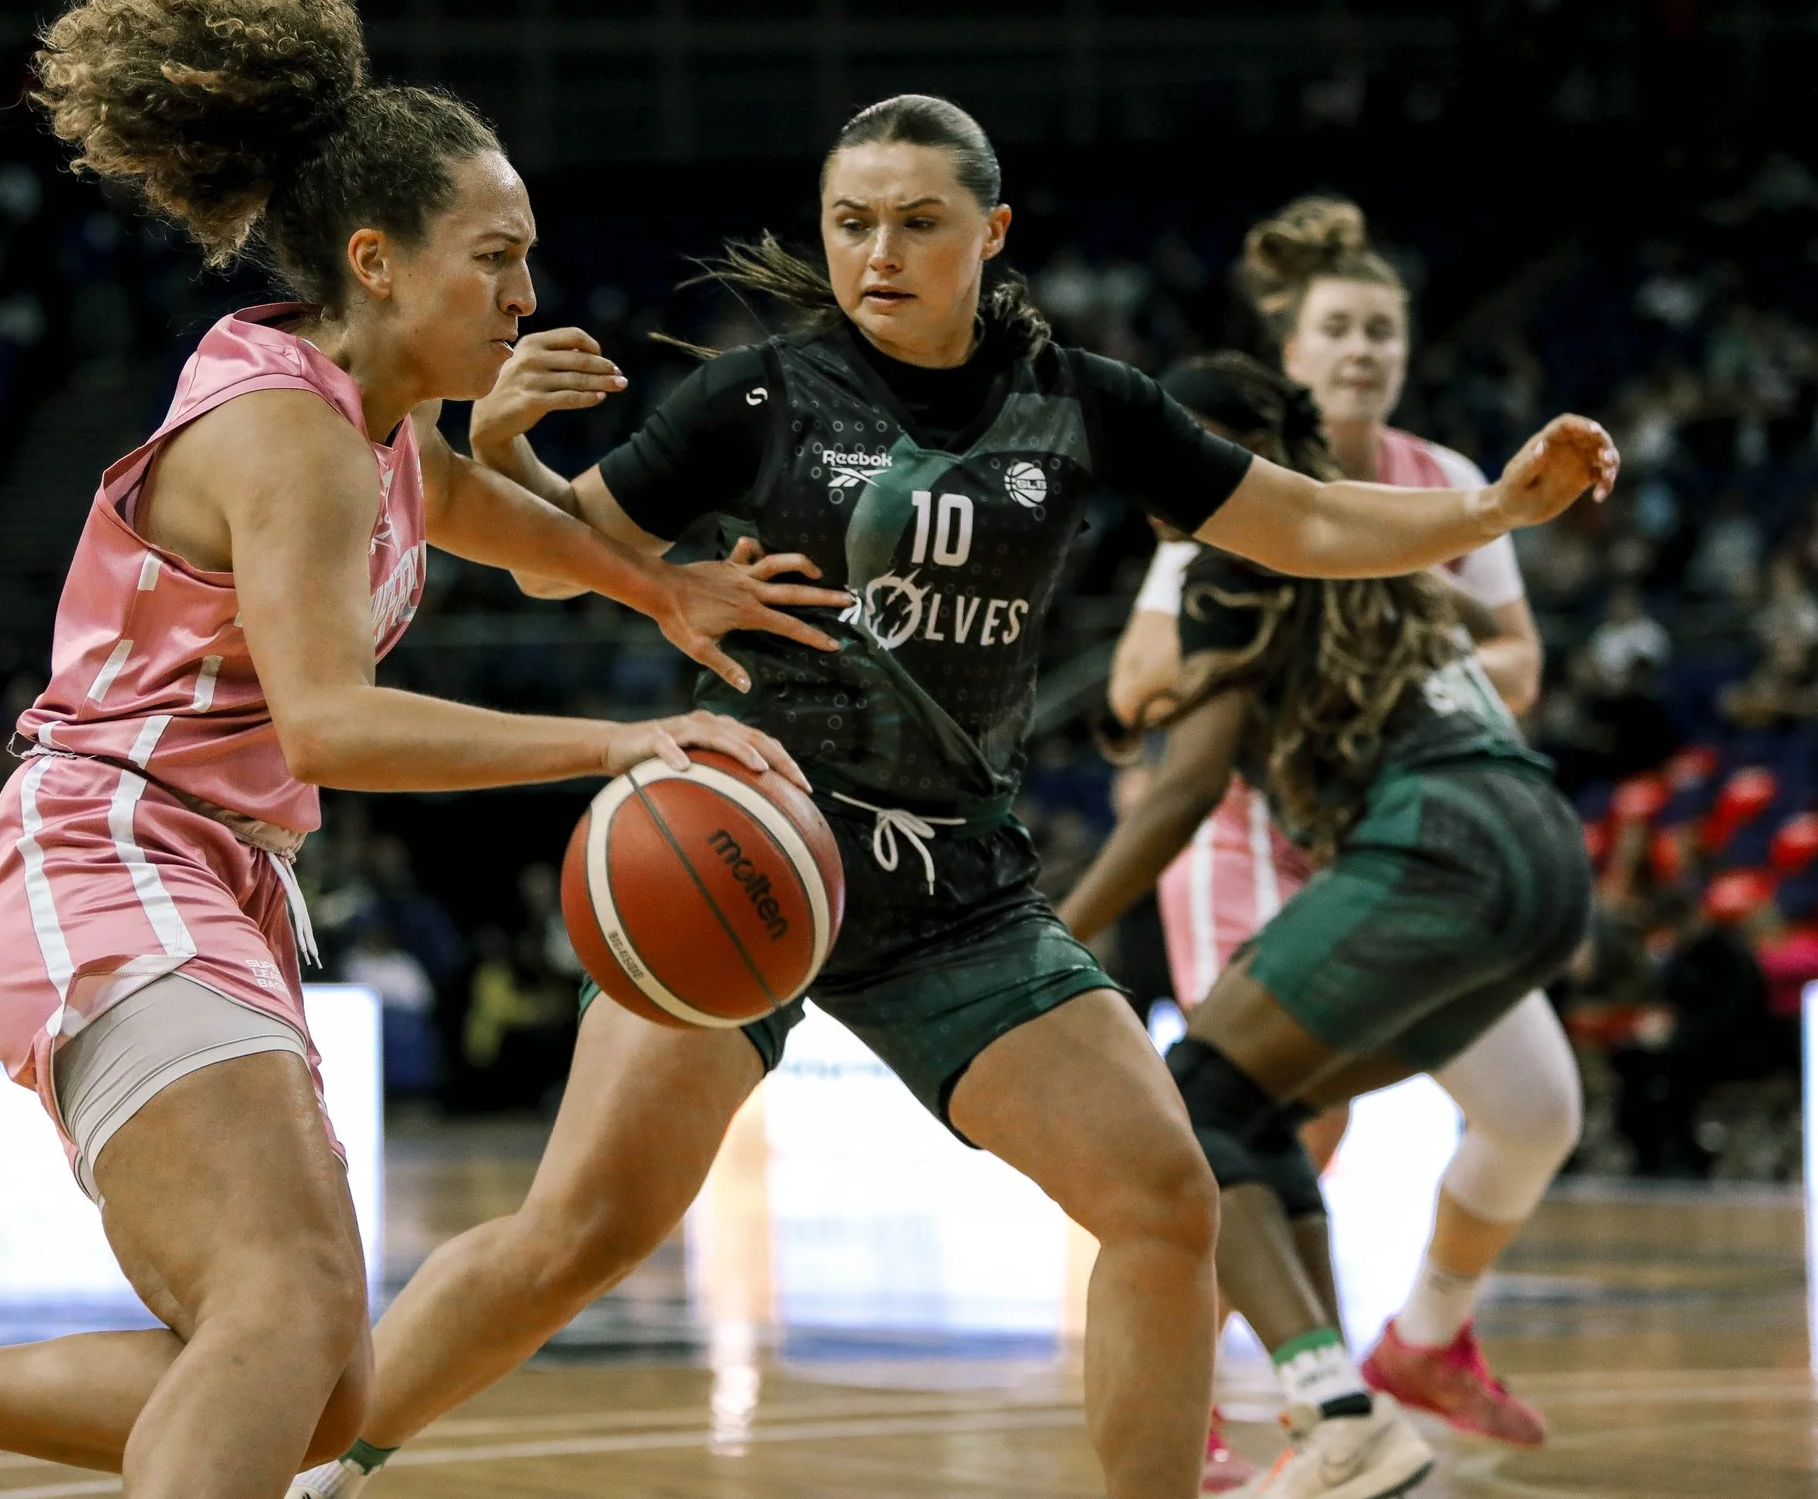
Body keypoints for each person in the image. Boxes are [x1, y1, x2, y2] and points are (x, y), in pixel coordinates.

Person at [294, 95, 1616, 1499]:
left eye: (919, 221)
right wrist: (502, 456)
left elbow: (1293, 516)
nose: (880, 249)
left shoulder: (1082, 399)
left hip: (955, 893)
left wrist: (1489, 516)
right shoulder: (758, 393)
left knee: (1163, 1196)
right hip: (748, 849)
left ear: (989, 232)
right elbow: (569, 560)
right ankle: (323, 1465)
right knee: (578, 1231)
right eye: (851, 221)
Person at [0, 0, 834, 1499]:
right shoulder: (287, 433)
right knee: (285, 1307)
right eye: (493, 256)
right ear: (375, 261)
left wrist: (664, 593)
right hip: (112, 850)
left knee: (313, 1382)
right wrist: (621, 743)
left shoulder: (369, 424)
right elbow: (333, 726)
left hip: (203, 874)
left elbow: (512, 531)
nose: (526, 289)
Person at [1060, 363, 1595, 1497]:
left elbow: (1182, 789)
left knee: (1196, 1101)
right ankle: (1346, 1414)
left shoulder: (1226, 560)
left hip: (1436, 840)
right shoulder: (1363, 540)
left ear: (1228, 449)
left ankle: (1332, 1404)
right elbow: (1467, 620)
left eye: (1172, 439)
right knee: (1257, 1108)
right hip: (1541, 847)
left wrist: (1057, 927)